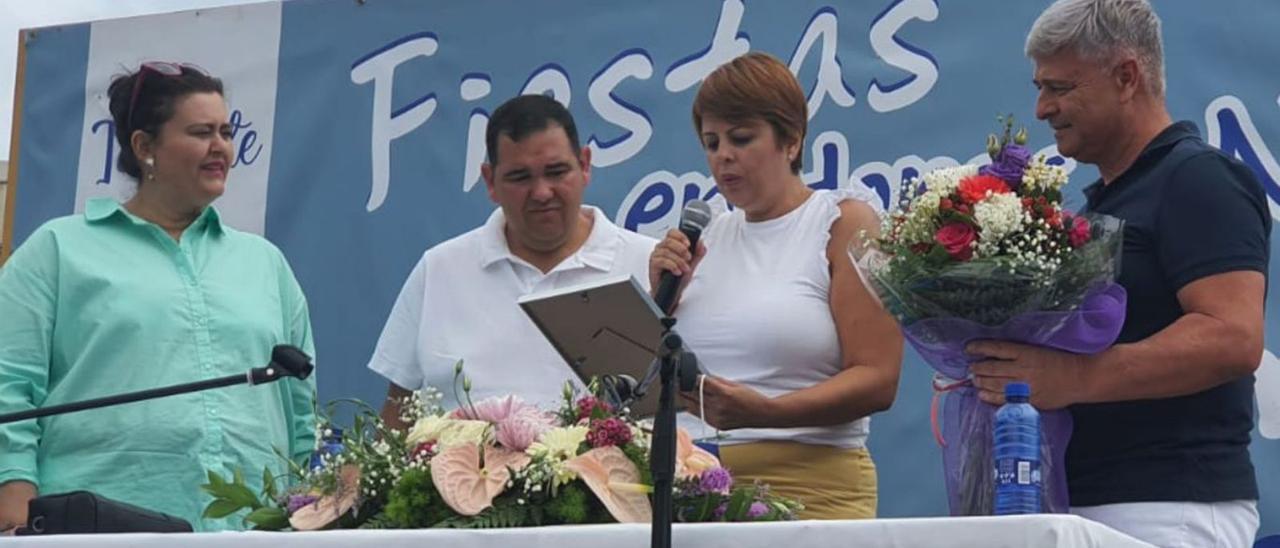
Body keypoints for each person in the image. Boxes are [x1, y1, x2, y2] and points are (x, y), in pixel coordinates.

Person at [968, 1, 1269, 545]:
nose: (1041, 108)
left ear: (1126, 76)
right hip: (1078, 500)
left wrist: (1071, 379)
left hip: (1170, 504)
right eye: (1040, 87)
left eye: (1059, 87)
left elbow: (1233, 337)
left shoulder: (1199, 179)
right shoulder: (1097, 211)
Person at [0, 63, 317, 532]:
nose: (221, 147)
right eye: (201, 132)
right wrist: (14, 498)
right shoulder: (58, 250)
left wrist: (301, 508)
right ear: (144, 147)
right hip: (99, 528)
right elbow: (9, 385)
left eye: (226, 132)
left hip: (251, 531)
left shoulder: (265, 263)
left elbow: (300, 407)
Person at [649, 52, 904, 519]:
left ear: (791, 141)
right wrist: (662, 301)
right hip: (693, 492)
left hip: (811, 489)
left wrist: (767, 413)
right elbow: (644, 388)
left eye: (741, 138)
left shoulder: (845, 222)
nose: (723, 155)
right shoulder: (702, 240)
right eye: (711, 141)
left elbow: (879, 379)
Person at [368, 94, 657, 429]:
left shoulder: (648, 266)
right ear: (490, 181)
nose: (542, 192)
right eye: (520, 177)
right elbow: (396, 414)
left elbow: (689, 413)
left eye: (556, 171)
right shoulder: (439, 270)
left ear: (585, 165)